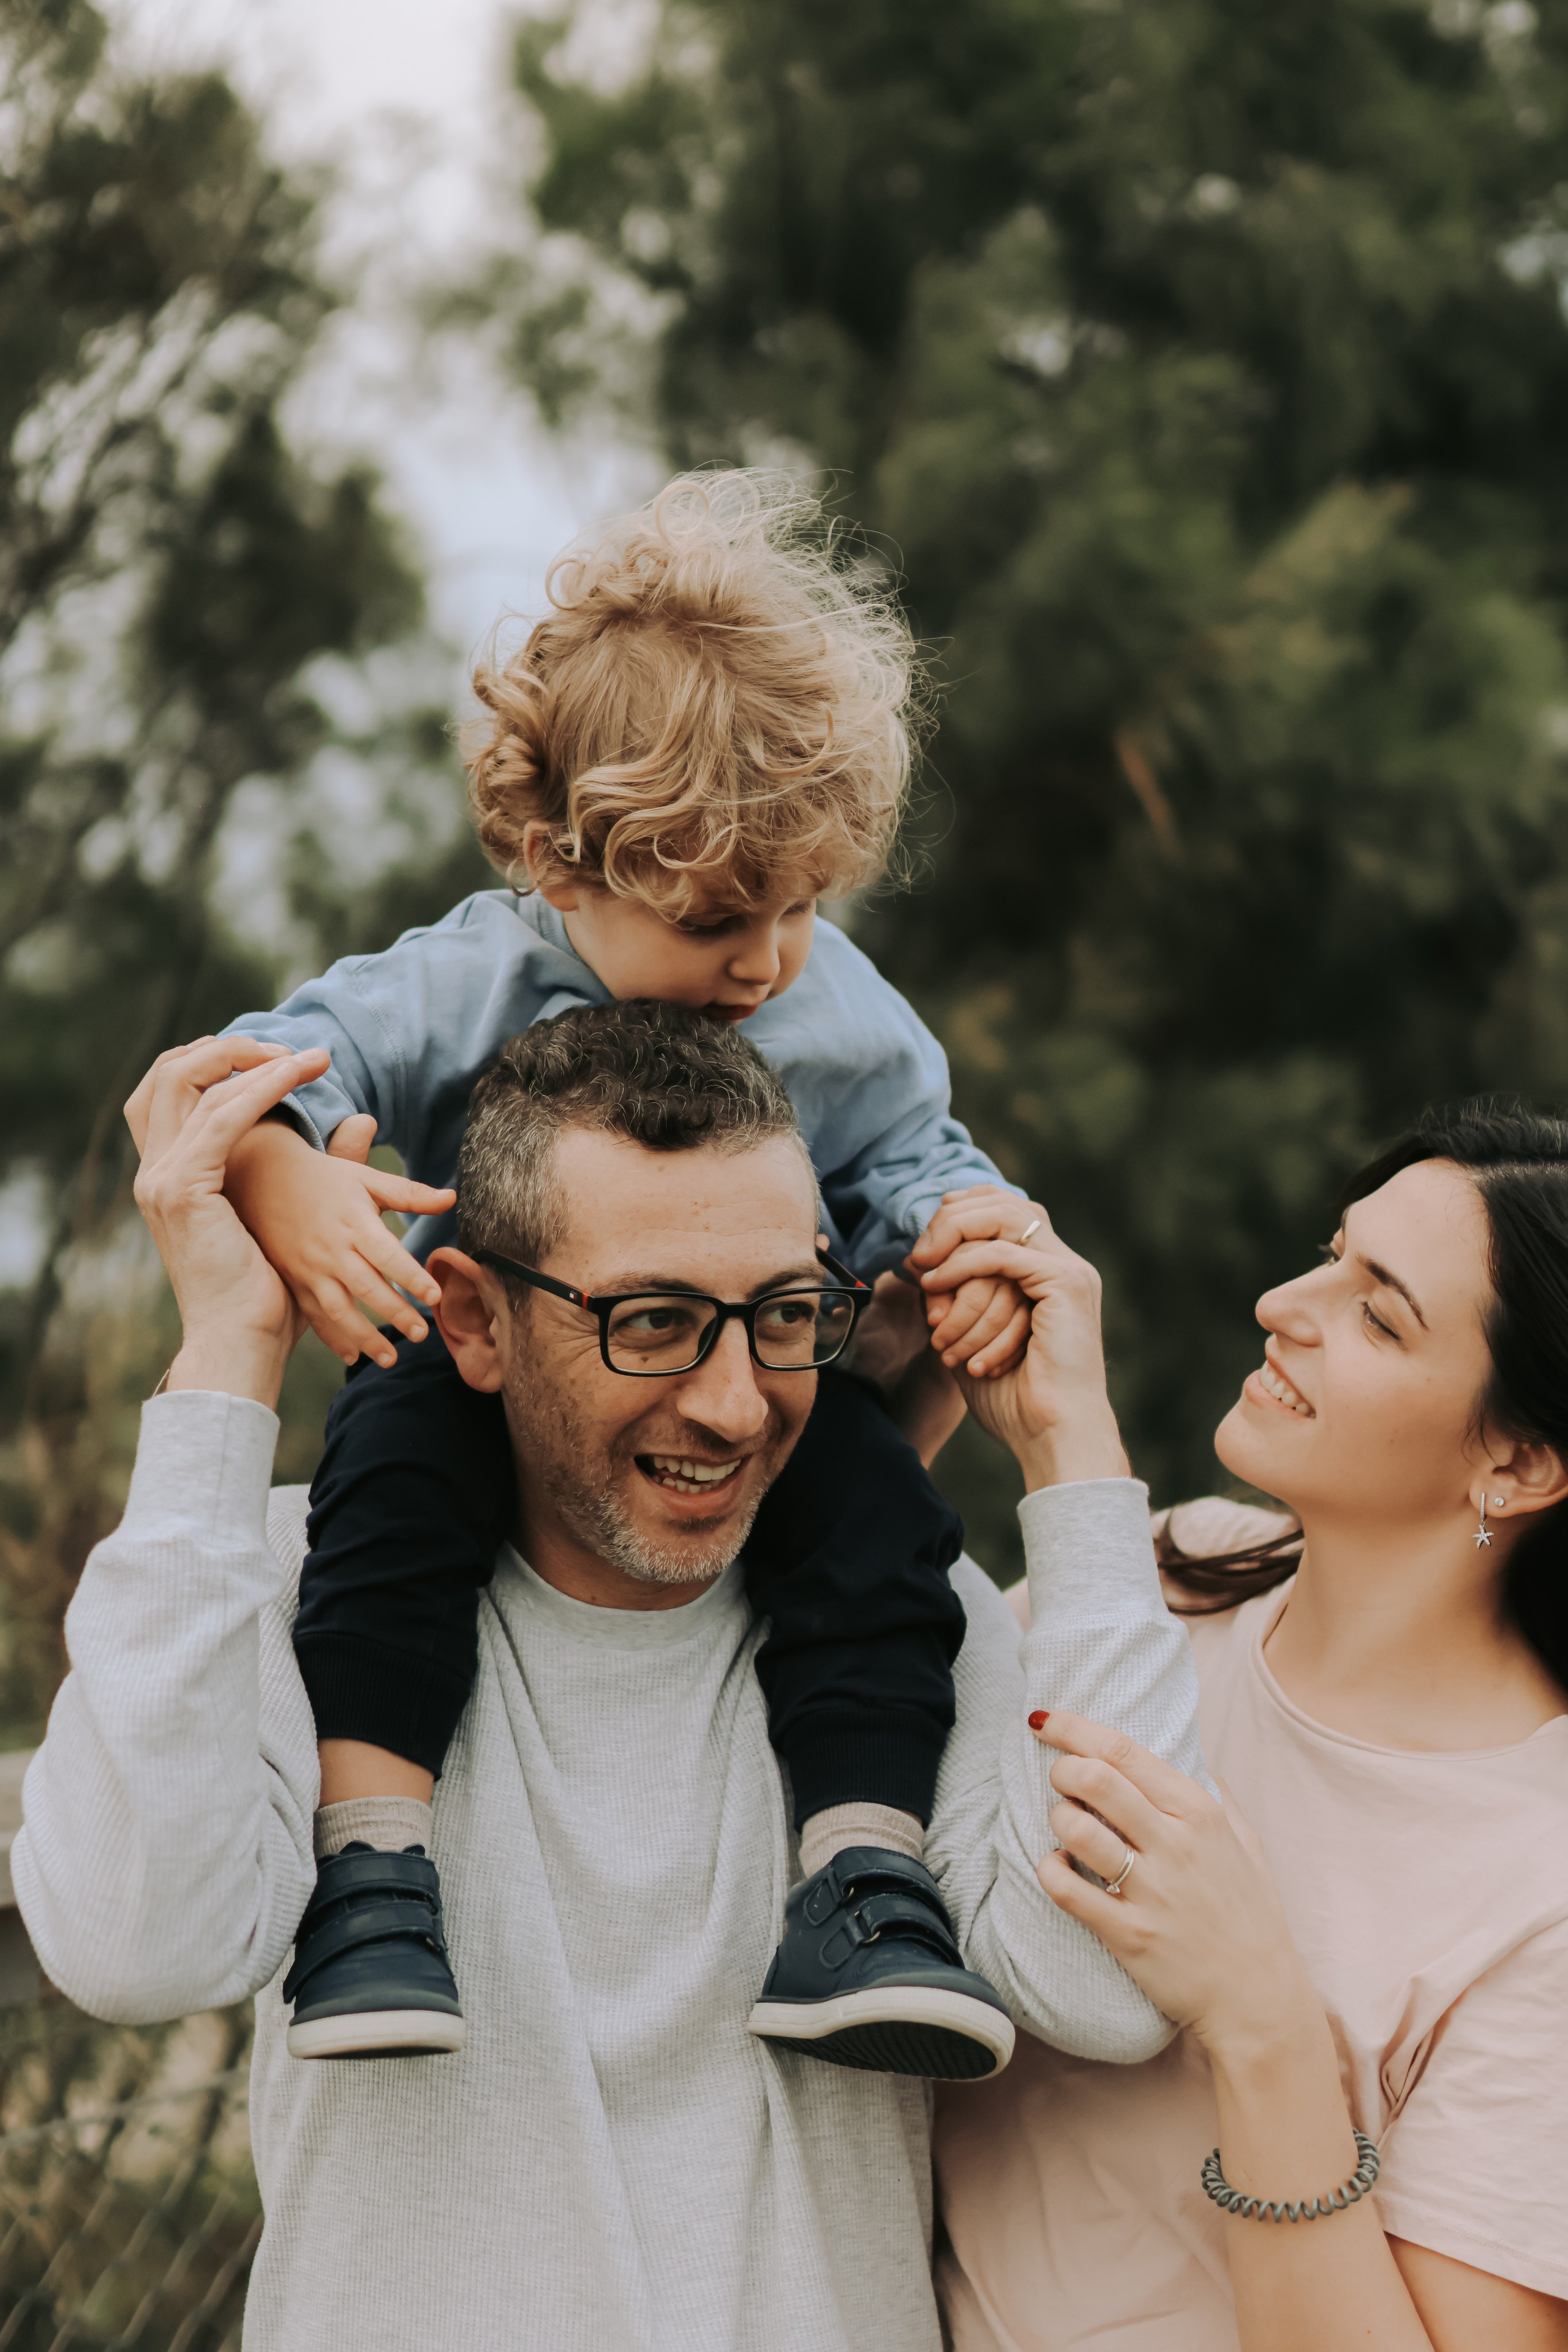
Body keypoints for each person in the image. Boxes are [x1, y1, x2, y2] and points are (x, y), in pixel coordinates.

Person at [17, 1005, 1206, 2352]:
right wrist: (229, 1349)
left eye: (781, 1318)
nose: (734, 1403)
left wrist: (1075, 1454)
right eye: (652, 1322)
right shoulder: (288, 1582)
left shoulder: (897, 1620)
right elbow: (132, 1942)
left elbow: (1109, 1990)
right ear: (470, 1320)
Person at [206, 469, 1038, 2067]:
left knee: (881, 1526)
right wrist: (288, 1178)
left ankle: (863, 1871)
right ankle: (373, 1872)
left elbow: (919, 1156)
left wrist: (965, 1243)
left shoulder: (832, 1008)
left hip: (741, 1400)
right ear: (564, 858)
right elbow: (250, 1071)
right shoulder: (470, 978)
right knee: (384, 1501)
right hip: (491, 1382)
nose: (771, 959)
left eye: (805, 903)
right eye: (726, 912)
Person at [933, 1099, 1568, 2351]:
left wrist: (1260, 2019)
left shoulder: (1539, 1884)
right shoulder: (1173, 1571)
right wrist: (1041, 1437)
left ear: (1517, 1464)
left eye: (1376, 1312)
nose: (1286, 1302)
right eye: (1329, 1252)